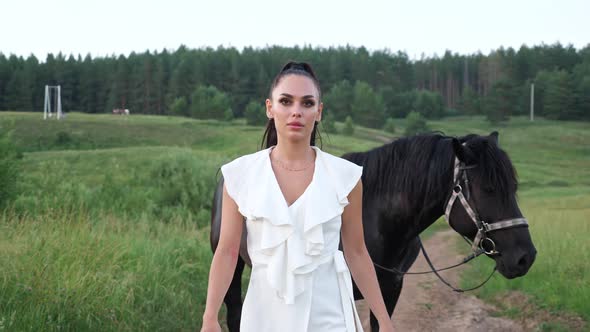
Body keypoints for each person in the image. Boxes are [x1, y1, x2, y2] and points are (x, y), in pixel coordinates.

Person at [201, 62, 394, 332]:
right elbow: (227, 251)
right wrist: (209, 317)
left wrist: (384, 321)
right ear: (270, 108)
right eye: (286, 101)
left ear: (319, 112)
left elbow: (357, 252)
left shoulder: (345, 178)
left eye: (306, 103)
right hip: (264, 316)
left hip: (330, 316)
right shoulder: (240, 175)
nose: (296, 112)